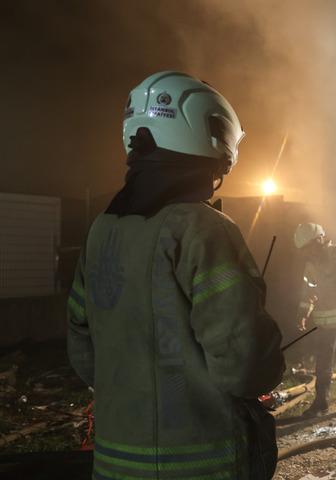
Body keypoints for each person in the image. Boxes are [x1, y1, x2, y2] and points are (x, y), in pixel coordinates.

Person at [66, 71, 285, 480]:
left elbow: (83, 349)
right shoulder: (204, 229)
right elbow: (243, 363)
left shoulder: (102, 229)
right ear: (208, 135)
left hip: (114, 463)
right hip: (201, 464)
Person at [293, 222, 336, 417]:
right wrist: (303, 313)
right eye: (305, 250)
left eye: (310, 248)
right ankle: (321, 403)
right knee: (323, 364)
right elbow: (309, 292)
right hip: (325, 323)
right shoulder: (311, 266)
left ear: (320, 239)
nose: (309, 253)